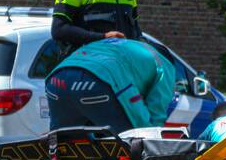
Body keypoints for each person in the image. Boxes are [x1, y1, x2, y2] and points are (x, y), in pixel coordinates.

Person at [44, 37, 175, 134]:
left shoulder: (121, 45)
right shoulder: (165, 63)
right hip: (100, 78)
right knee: (137, 137)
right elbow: (157, 110)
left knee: (65, 145)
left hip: (57, 79)